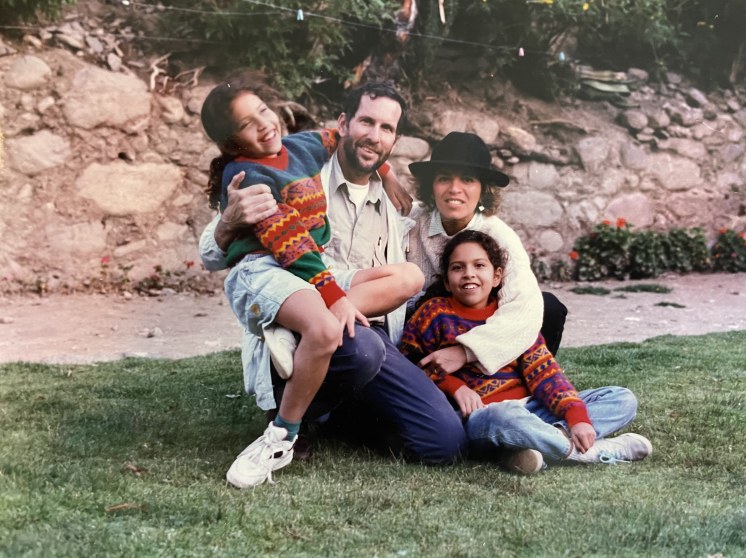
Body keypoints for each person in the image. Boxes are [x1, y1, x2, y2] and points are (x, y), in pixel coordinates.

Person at [199, 81, 468, 476]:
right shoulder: (296, 164)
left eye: (387, 129)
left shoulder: (398, 203)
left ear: (394, 138)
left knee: (444, 443)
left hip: (358, 317)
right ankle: (292, 418)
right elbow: (213, 251)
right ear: (344, 123)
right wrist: (227, 223)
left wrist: (388, 172)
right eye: (366, 122)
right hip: (315, 304)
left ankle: (332, 417)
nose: (374, 136)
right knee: (361, 350)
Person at [399, 230, 653, 474]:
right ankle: (589, 452)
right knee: (504, 416)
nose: (469, 274)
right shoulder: (434, 314)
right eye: (458, 267)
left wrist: (577, 418)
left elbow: (545, 373)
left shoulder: (511, 314)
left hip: (531, 408)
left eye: (479, 266)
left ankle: (530, 447)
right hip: (482, 417)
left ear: (497, 276)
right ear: (446, 279)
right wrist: (455, 386)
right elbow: (409, 364)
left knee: (622, 398)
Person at [405, 131, 566, 380]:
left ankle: (515, 383)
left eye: (467, 180)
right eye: (444, 178)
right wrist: (385, 175)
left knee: (549, 306)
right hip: (425, 331)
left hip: (476, 328)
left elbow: (525, 308)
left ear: (483, 190)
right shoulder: (410, 221)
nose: (454, 189)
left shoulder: (499, 236)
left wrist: (465, 352)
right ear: (431, 186)